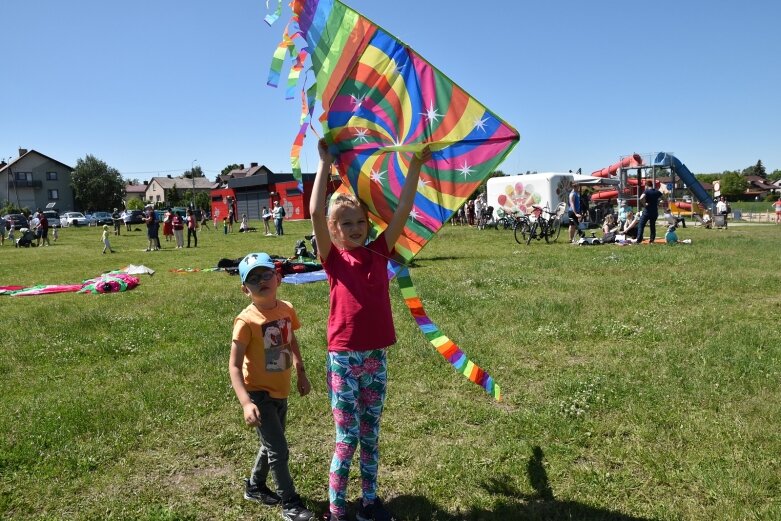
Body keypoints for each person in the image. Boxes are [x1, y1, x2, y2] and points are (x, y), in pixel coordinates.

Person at [311, 138, 431, 521]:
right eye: (346, 224)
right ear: (333, 229)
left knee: (370, 435)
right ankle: (336, 509)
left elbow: (403, 211)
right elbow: (315, 210)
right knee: (346, 439)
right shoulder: (333, 258)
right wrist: (324, 165)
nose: (356, 228)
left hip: (375, 357)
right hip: (344, 358)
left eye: (360, 222)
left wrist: (414, 166)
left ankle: (369, 502)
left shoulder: (381, 251)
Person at [229, 252, 315, 521]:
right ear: (245, 289)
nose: (262, 280)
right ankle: (290, 504)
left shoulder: (286, 309)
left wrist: (301, 372)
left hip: (282, 388)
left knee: (270, 444)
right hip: (259, 392)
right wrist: (246, 402)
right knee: (279, 450)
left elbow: (291, 342)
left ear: (278, 277)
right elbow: (233, 366)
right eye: (253, 278)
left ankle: (255, 486)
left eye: (266, 274)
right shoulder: (246, 321)